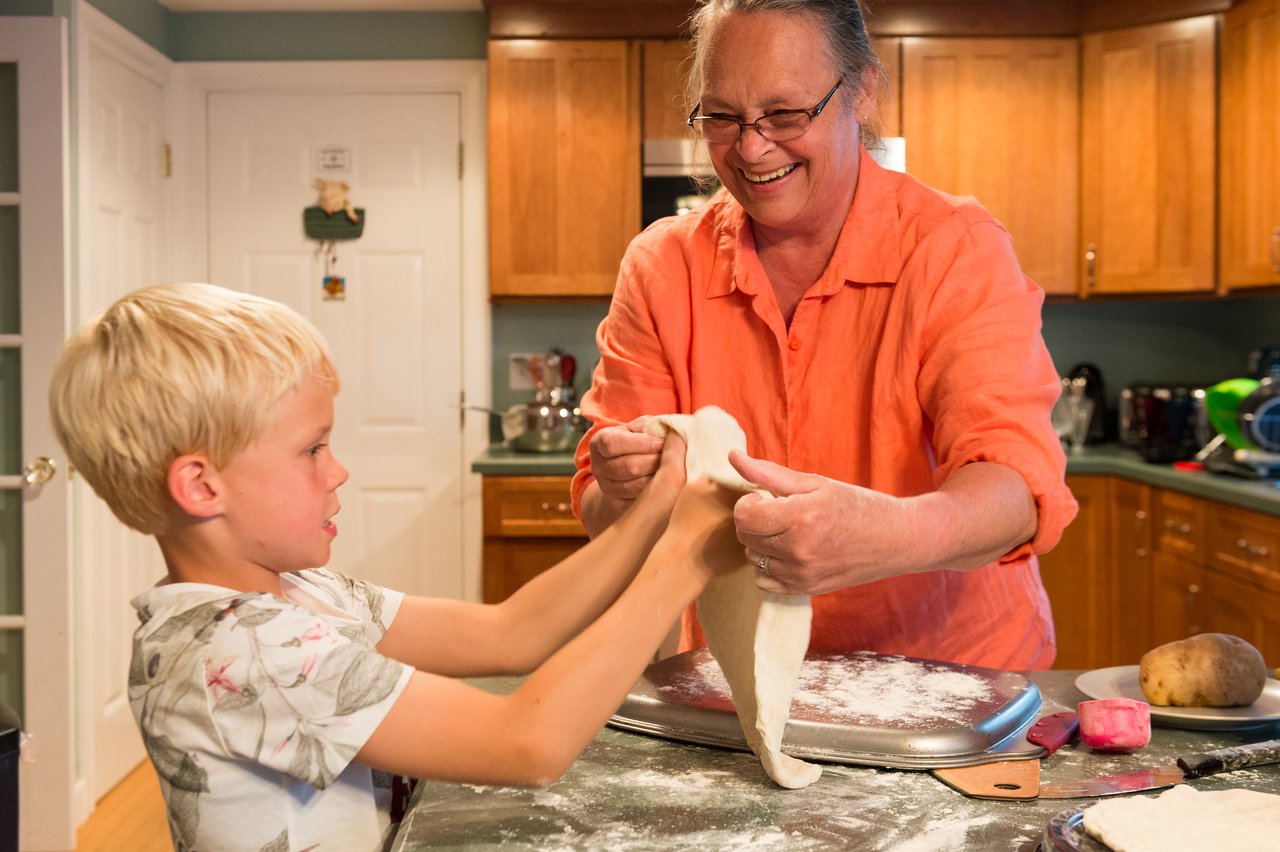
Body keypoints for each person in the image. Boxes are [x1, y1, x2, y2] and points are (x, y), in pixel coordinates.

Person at [48, 282, 741, 851]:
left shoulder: (293, 593)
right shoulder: (240, 650)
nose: (339, 470)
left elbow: (508, 631)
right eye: (312, 449)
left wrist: (654, 513)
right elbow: (528, 742)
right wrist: (683, 562)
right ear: (202, 486)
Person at [572, 0, 1078, 671]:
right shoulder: (663, 267)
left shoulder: (954, 247)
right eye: (723, 117)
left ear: (861, 91)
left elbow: (1016, 487)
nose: (751, 149)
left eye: (785, 114)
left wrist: (888, 533)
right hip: (735, 678)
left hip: (952, 679)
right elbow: (602, 511)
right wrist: (623, 491)